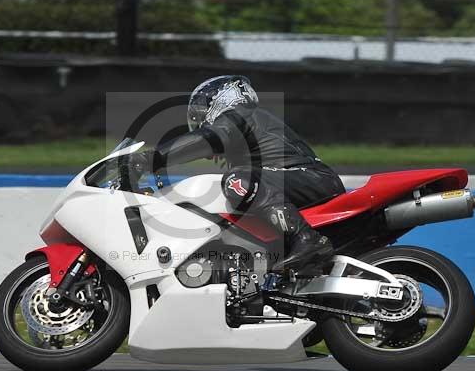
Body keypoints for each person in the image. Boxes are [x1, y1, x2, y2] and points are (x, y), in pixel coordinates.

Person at [140, 75, 345, 276]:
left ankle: (307, 239)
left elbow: (210, 138)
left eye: (202, 111)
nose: (201, 120)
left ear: (223, 98)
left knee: (237, 181)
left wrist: (152, 159)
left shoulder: (240, 115)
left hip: (311, 178)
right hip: (305, 180)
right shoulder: (248, 126)